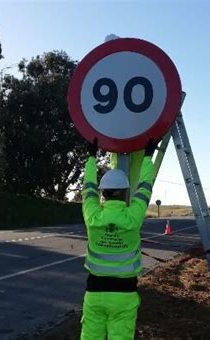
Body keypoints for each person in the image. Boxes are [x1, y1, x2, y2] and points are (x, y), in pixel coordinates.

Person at [80, 138, 158, 340]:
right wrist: (147, 157)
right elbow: (145, 187)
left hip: (95, 294)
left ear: (103, 194)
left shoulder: (92, 216)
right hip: (124, 295)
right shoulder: (133, 217)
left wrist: (91, 157)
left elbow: (88, 186)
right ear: (125, 194)